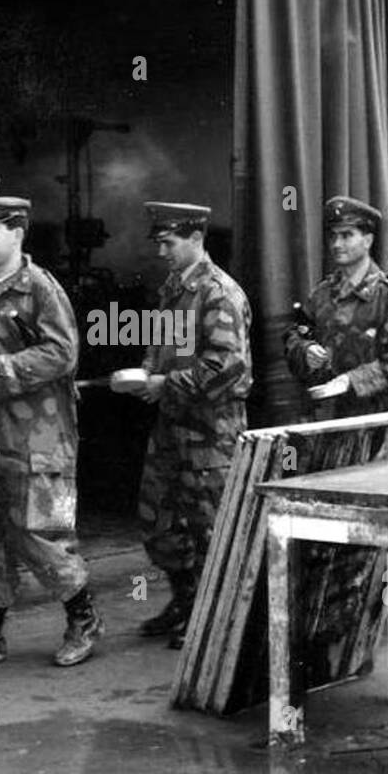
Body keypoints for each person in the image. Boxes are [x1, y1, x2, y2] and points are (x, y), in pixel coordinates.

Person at [0, 194, 103, 670]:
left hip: (35, 435)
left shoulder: (41, 289)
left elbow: (63, 353)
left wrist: (1, 367)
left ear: (18, 233)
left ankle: (83, 616)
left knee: (39, 530)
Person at [130, 202, 252, 648]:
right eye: (159, 241)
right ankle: (186, 600)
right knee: (158, 522)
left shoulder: (220, 293)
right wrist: (148, 372)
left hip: (211, 433)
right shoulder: (173, 289)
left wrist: (166, 383)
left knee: (211, 529)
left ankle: (213, 619)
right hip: (172, 427)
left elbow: (226, 367)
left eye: (169, 241)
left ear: (196, 239)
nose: (162, 250)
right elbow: (163, 344)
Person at [283, 196, 388, 417]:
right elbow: (295, 335)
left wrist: (351, 380)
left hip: (376, 417)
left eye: (347, 236)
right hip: (327, 415)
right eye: (334, 236)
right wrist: (305, 351)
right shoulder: (321, 294)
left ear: (367, 241)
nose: (337, 244)